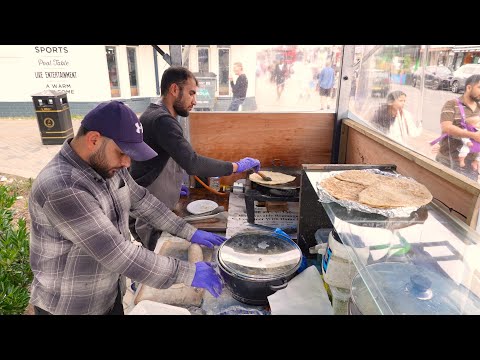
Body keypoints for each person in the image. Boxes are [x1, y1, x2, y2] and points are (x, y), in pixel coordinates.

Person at [28, 100, 227, 315]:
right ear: (94, 140)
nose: (127, 163)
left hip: (109, 293)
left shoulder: (108, 166)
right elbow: (118, 254)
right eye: (122, 152)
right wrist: (187, 272)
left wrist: (189, 231)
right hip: (70, 305)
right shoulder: (63, 187)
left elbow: (142, 201)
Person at [129, 66, 260, 251]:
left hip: (157, 203)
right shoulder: (162, 121)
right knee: (160, 257)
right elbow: (193, 163)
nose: (195, 101)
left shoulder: (155, 114)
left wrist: (172, 186)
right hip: (151, 212)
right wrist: (236, 166)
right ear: (174, 90)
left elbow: (161, 160)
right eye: (191, 93)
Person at [435, 74, 480, 181]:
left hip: (470, 163)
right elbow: (446, 127)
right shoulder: (451, 104)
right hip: (448, 160)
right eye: (479, 87)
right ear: (469, 87)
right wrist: (472, 135)